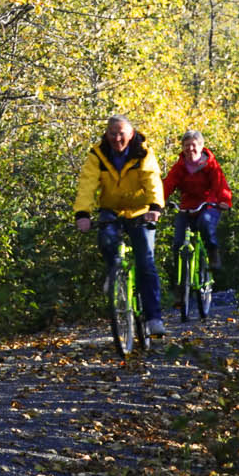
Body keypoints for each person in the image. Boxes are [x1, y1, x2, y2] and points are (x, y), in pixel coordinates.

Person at [75, 114, 167, 337]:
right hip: (112, 209)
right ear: (107, 134)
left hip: (140, 211)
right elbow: (87, 183)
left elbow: (151, 178)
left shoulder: (142, 152)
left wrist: (155, 206)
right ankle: (114, 272)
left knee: (146, 262)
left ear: (131, 134)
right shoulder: (98, 153)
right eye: (112, 134)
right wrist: (82, 213)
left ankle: (154, 318)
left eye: (121, 134)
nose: (117, 138)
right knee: (106, 241)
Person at [163, 128, 233, 270]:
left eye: (194, 145)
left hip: (208, 205)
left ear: (201, 146)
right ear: (182, 148)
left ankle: (213, 252)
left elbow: (220, 184)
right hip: (187, 207)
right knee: (178, 242)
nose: (190, 148)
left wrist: (224, 201)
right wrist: (158, 202)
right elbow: (168, 184)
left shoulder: (211, 165)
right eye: (186, 145)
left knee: (206, 223)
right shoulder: (179, 167)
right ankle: (180, 280)